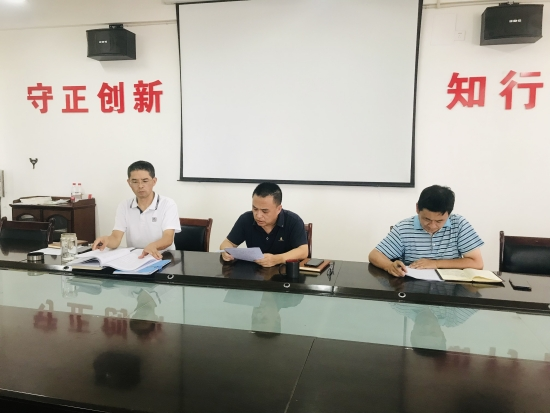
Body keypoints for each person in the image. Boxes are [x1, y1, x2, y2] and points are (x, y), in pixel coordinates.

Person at [368, 185, 484, 277]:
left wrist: (436, 263)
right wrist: (389, 266)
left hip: (450, 290)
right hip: (412, 289)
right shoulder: (403, 228)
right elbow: (374, 255)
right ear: (417, 208)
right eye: (427, 219)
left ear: (449, 214)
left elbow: (477, 263)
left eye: (439, 221)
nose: (432, 226)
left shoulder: (459, 224)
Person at [92, 161, 181, 260]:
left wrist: (153, 246)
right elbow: (116, 238)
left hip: (163, 257)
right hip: (136, 258)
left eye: (145, 181)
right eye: (135, 182)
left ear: (154, 181)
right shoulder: (124, 206)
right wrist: (107, 240)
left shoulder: (167, 204)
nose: (140, 186)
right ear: (129, 183)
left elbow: (168, 238)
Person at [220, 182, 308, 267]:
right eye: (255, 209)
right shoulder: (246, 219)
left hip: (284, 272)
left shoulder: (293, 221)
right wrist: (225, 251)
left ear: (278, 209)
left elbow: (303, 251)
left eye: (264, 211)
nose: (258, 215)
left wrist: (277, 259)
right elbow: (228, 243)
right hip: (254, 273)